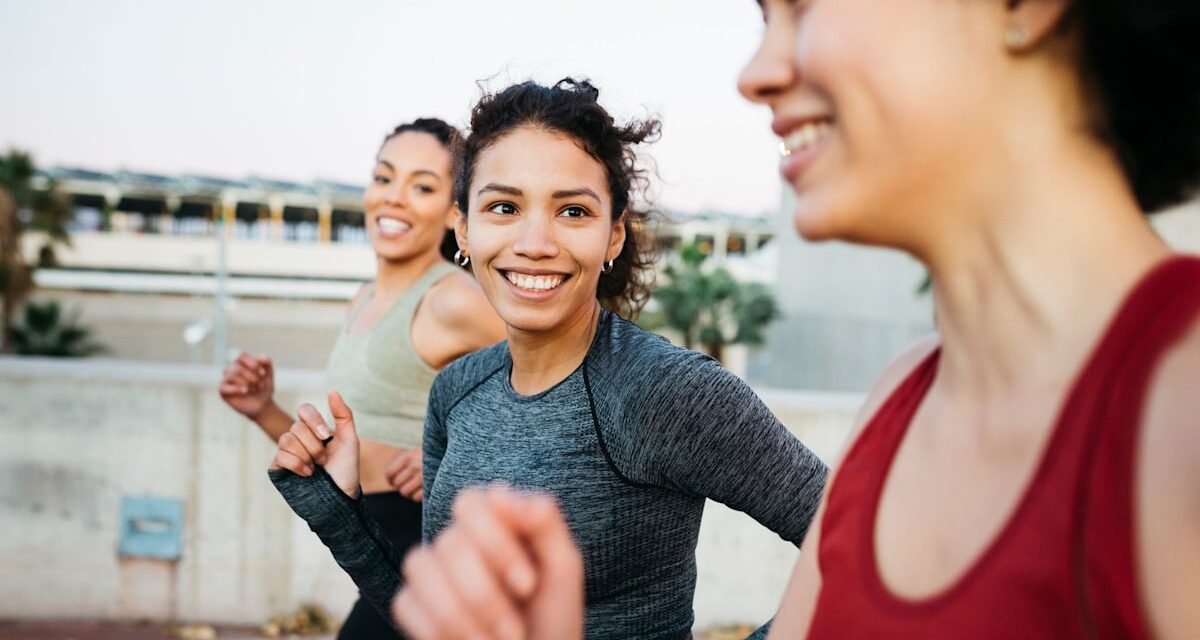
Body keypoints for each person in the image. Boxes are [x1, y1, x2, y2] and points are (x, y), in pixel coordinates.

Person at [379, 0, 1200, 638]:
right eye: (767, 18)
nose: (758, 72)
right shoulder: (903, 399)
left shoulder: (1180, 408)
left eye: (806, 8)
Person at [266, 79, 828, 640]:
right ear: (464, 228)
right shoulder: (457, 390)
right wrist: (341, 510)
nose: (535, 241)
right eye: (504, 207)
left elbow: (859, 547)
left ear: (613, 236)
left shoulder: (664, 390)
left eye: (574, 212)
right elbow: (438, 623)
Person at [218, 118, 505, 639]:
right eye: (384, 178)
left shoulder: (451, 298)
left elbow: (552, 381)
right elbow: (346, 447)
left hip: (430, 546)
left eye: (422, 186)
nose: (395, 198)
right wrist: (264, 408)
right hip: (372, 537)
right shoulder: (363, 299)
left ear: (452, 212)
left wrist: (459, 455)